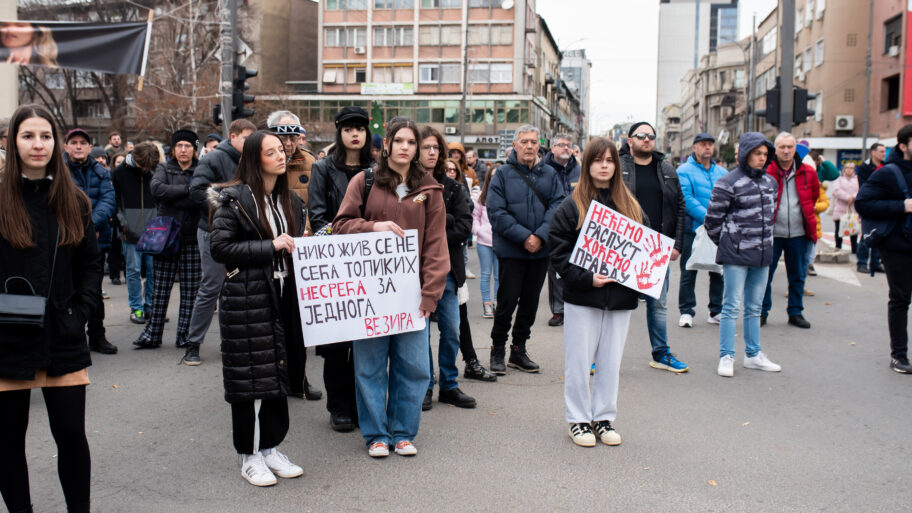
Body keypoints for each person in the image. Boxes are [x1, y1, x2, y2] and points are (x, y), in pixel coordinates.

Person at [0, 104, 101, 513]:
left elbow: (90, 264)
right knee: (7, 441)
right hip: (8, 337)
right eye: (28, 136)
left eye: (45, 136)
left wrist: (82, 312)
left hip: (63, 333)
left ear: (55, 142)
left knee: (72, 436)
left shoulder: (74, 200)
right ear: (12, 143)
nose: (38, 144)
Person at [332, 117, 448, 458]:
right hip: (370, 294)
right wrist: (373, 227)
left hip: (411, 296)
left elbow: (435, 245)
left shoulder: (430, 190)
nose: (405, 147)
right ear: (386, 145)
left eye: (411, 143)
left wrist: (430, 294)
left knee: (414, 367)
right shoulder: (363, 182)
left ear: (417, 149)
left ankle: (403, 432)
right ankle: (376, 435)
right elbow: (338, 226)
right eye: (399, 141)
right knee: (369, 366)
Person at [208, 130, 306, 487]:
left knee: (277, 373)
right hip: (247, 298)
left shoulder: (291, 202)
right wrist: (270, 246)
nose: (281, 155)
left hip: (283, 295)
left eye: (282, 149)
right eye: (271, 152)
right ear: (254, 158)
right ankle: (249, 455)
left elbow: (293, 244)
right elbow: (220, 248)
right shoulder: (232, 199)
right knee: (250, 378)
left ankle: (270, 447)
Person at [549, 137, 641, 447]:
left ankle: (603, 418)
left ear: (617, 165)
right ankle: (578, 419)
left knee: (611, 361)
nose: (604, 165)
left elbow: (643, 251)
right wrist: (588, 278)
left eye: (610, 160)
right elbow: (558, 251)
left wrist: (640, 278)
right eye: (598, 160)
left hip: (619, 299)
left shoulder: (631, 205)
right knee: (579, 360)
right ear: (587, 165)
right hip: (583, 296)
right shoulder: (572, 205)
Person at [308, 106, 373, 431]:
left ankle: (363, 403)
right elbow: (318, 215)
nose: (355, 133)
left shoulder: (377, 170)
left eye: (360, 128)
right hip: (334, 263)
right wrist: (343, 239)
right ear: (340, 132)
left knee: (366, 341)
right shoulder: (322, 168)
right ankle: (339, 406)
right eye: (349, 128)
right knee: (336, 341)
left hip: (370, 264)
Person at [486, 125, 565, 374]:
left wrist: (540, 237)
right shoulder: (501, 174)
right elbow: (496, 212)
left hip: (540, 251)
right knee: (507, 302)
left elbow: (558, 206)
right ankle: (498, 348)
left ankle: (518, 350)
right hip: (512, 251)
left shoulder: (550, 175)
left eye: (533, 141)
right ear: (515, 146)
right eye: (524, 142)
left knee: (530, 304)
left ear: (539, 145)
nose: (529, 146)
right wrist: (525, 238)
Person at [704, 132, 782, 378]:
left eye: (765, 154)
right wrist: (730, 242)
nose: (762, 158)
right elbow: (712, 220)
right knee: (731, 306)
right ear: (746, 153)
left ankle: (753, 354)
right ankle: (726, 355)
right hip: (736, 255)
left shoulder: (771, 183)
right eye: (757, 153)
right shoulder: (728, 182)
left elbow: (771, 217)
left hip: (763, 254)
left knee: (754, 307)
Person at [418, 126, 480, 409]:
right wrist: (445, 224)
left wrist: (436, 229)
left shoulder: (454, 187)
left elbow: (464, 227)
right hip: (415, 271)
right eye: (425, 147)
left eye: (435, 148)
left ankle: (449, 384)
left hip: (448, 271)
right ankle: (426, 385)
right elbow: (410, 230)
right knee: (420, 332)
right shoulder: (409, 185)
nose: (431, 152)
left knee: (452, 329)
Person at [185, 119, 256, 365]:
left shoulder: (251, 159)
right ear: (233, 136)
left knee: (237, 289)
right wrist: (228, 209)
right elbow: (196, 192)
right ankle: (192, 343)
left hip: (241, 234)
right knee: (211, 287)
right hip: (211, 230)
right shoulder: (213, 158)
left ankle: (232, 342)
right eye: (246, 138)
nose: (249, 144)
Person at [618, 122, 687, 372]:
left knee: (658, 305)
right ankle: (602, 357)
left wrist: (677, 245)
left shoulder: (667, 169)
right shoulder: (617, 166)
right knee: (615, 305)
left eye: (650, 136)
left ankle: (661, 354)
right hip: (624, 247)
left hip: (655, 249)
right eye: (641, 136)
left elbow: (679, 207)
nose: (646, 140)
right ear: (630, 140)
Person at [131, 130, 202, 353]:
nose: (183, 150)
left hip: (192, 237)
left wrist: (176, 198)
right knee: (161, 288)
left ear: (194, 149)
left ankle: (184, 335)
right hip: (165, 238)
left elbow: (202, 197)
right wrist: (187, 191)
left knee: (190, 291)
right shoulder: (164, 167)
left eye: (187, 146)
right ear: (173, 149)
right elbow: (157, 190)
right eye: (179, 145)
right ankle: (152, 334)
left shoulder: (201, 169)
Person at [266, 111, 321, 398]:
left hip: (300, 250)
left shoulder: (311, 163)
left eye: (292, 135)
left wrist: (307, 233)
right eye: (281, 134)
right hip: (269, 251)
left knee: (299, 322)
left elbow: (316, 205)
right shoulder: (258, 162)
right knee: (269, 319)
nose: (287, 142)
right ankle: (273, 377)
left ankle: (298, 379)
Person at [855, 124, 912, 374]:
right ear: (903, 146)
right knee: (900, 299)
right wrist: (902, 206)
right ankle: (899, 355)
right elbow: (863, 203)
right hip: (898, 246)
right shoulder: (889, 172)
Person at [63, 127, 118, 355]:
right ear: (66, 147)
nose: (78, 146)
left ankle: (97, 336)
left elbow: (108, 200)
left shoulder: (101, 172)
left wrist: (90, 227)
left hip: (95, 240)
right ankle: (70, 336)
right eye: (73, 142)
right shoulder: (59, 172)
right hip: (64, 240)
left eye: (82, 143)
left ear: (88, 147)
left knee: (93, 290)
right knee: (66, 289)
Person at [760, 132, 820, 329]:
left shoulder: (808, 172)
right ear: (775, 150)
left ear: (795, 149)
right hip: (772, 233)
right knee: (765, 275)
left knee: (798, 275)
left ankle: (795, 312)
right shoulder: (766, 170)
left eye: (789, 147)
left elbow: (813, 196)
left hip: (798, 233)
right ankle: (762, 312)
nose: (786, 151)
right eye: (782, 147)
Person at [675, 132, 726, 328]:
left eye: (710, 144)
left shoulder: (721, 172)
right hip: (693, 229)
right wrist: (709, 217)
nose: (707, 148)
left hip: (717, 230)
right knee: (689, 270)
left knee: (718, 271)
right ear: (694, 147)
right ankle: (686, 311)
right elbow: (686, 198)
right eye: (703, 144)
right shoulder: (684, 170)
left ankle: (716, 310)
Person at [112, 142, 159, 324]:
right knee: (133, 270)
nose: (145, 169)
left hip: (153, 230)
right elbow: (114, 200)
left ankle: (151, 307)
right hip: (129, 229)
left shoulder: (153, 171)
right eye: (143, 165)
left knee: (153, 271)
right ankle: (137, 309)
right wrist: (123, 223)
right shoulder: (119, 172)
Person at [542, 133, 581, 327]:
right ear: (553, 148)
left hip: (578, 227)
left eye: (569, 145)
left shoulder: (579, 171)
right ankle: (558, 311)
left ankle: (576, 308)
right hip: (554, 226)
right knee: (556, 267)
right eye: (561, 145)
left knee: (578, 267)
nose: (566, 148)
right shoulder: (544, 169)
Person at [473, 166, 499, 319]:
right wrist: (479, 231)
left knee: (499, 276)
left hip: (501, 241)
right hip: (484, 241)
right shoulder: (482, 196)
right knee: (485, 274)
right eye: (493, 175)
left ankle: (497, 302)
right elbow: (474, 217)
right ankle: (487, 304)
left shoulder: (507, 194)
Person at [857, 142, 886, 273]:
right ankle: (862, 262)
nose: (884, 154)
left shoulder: (886, 167)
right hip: (869, 204)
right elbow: (864, 186)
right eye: (881, 151)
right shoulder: (865, 167)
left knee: (879, 234)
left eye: (885, 151)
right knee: (866, 234)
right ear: (873, 152)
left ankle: (875, 262)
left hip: (882, 204)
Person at [832, 162, 859, 253]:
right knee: (839, 229)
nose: (849, 169)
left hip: (853, 208)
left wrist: (854, 197)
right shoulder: (839, 179)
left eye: (851, 168)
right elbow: (836, 191)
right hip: (841, 208)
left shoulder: (857, 179)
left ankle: (854, 248)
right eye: (847, 167)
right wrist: (847, 197)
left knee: (853, 229)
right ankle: (838, 247)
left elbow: (860, 190)